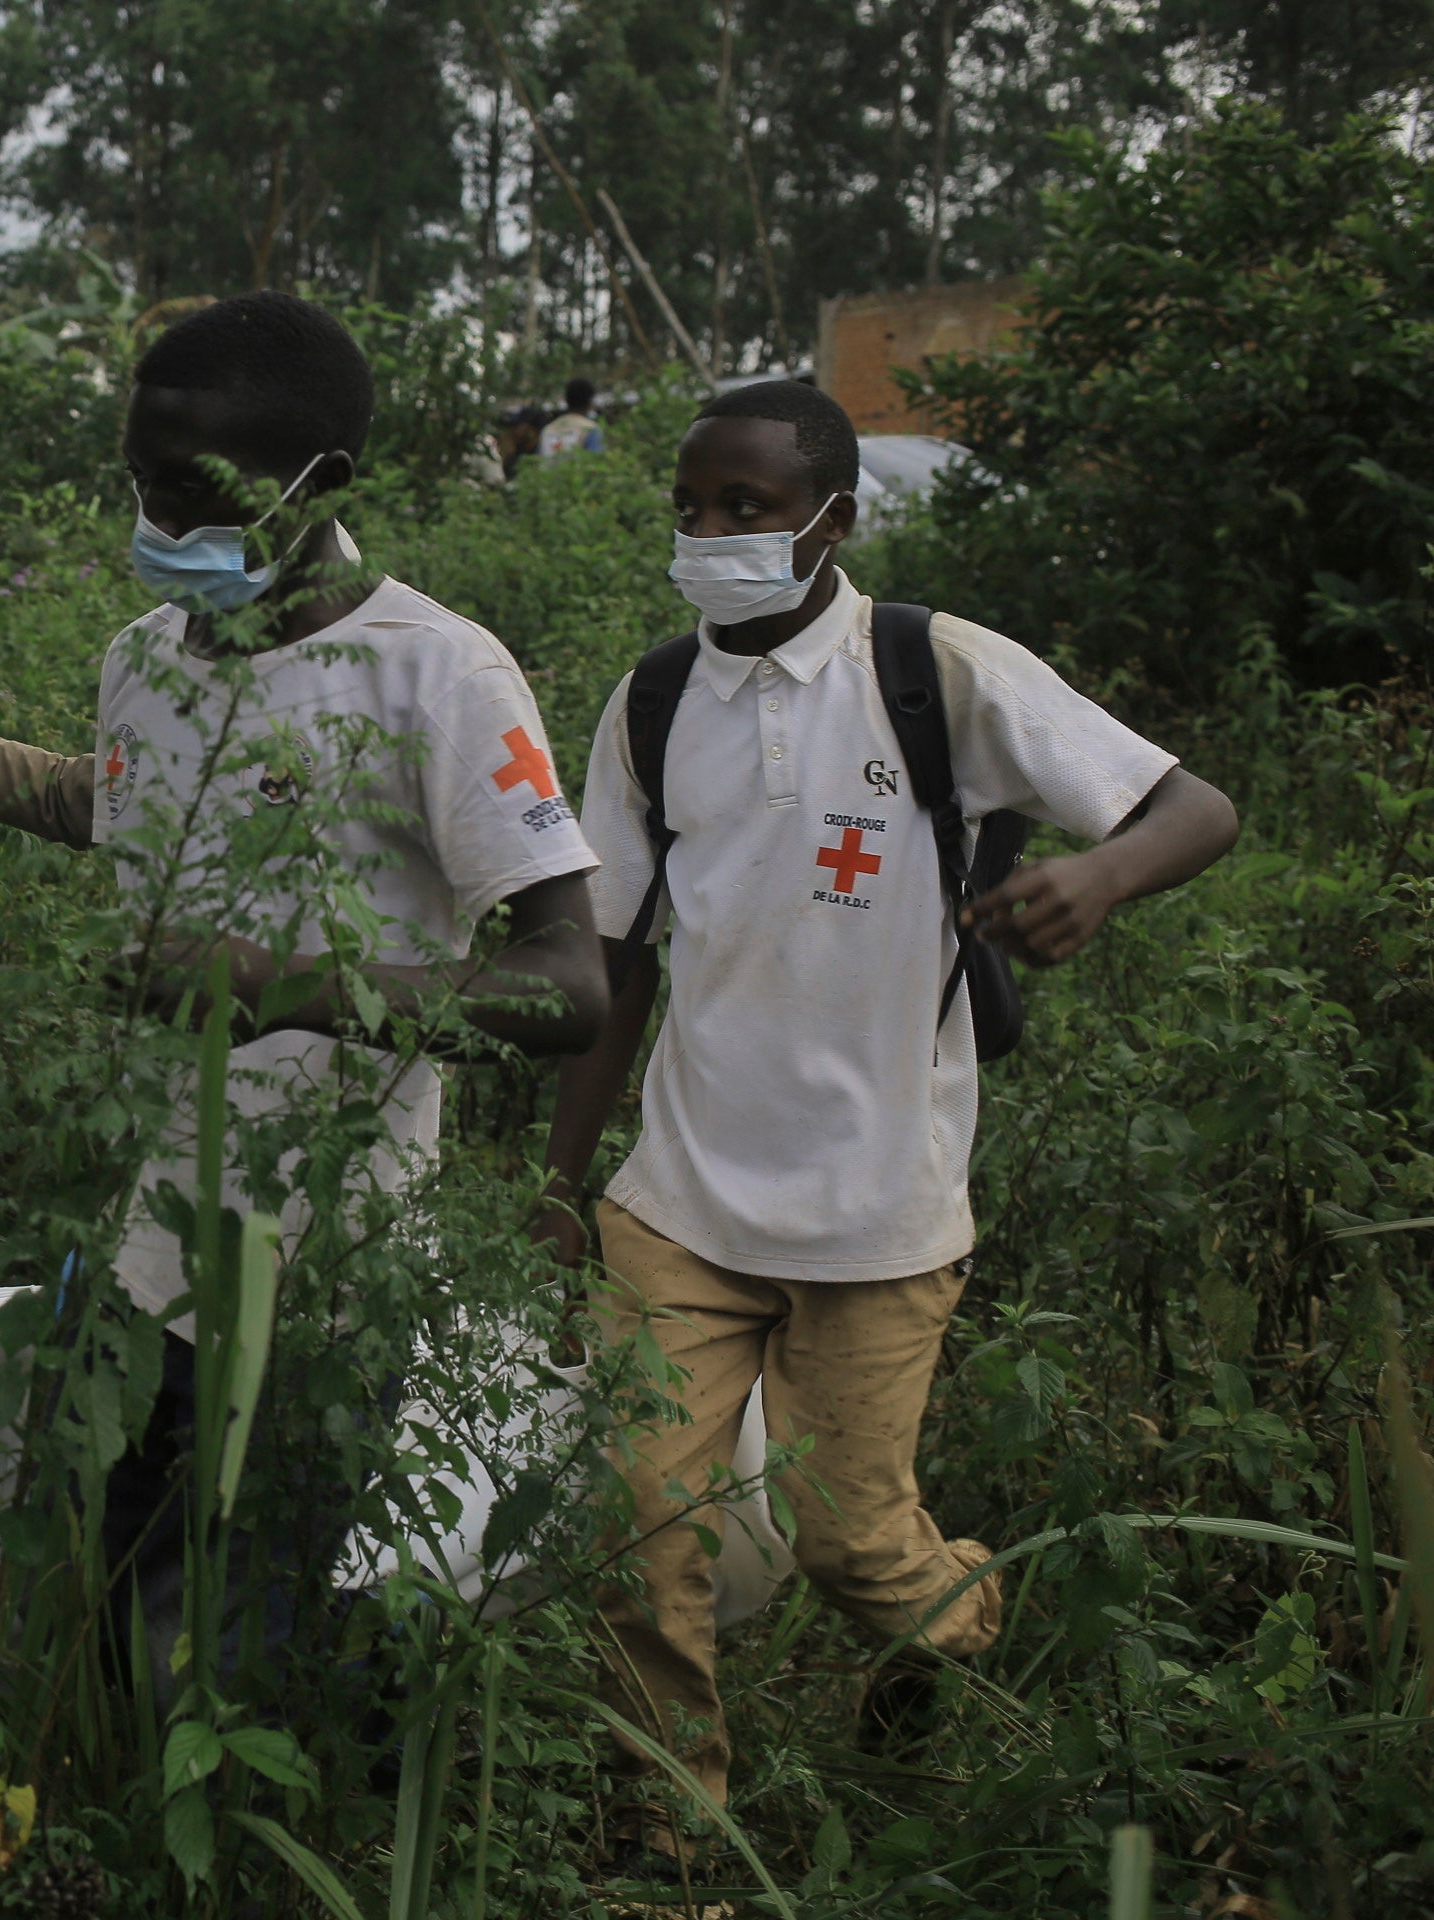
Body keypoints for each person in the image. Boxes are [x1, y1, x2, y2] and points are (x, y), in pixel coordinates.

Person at [0, 290, 610, 1691]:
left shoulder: (436, 676)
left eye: (200, 494)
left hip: (323, 1267)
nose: (161, 523)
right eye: (142, 484)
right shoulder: (142, 660)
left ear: (327, 483)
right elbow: (124, 806)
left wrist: (290, 988)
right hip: (137, 1241)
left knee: (248, 1642)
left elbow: (571, 986)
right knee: (94, 1575)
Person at [536, 378, 1238, 1880]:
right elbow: (616, 955)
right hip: (679, 1199)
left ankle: (957, 1612)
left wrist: (1099, 881)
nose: (713, 535)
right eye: (693, 508)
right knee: (634, 1524)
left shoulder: (938, 673)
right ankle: (678, 1824)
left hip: (879, 1209)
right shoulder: (656, 702)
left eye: (751, 510)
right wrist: (558, 1174)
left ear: (833, 522)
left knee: (855, 1544)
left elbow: (1197, 809)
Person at [537, 377, 605, 460]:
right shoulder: (591, 429)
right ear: (590, 401)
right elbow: (596, 465)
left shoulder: (547, 430)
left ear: (566, 400)